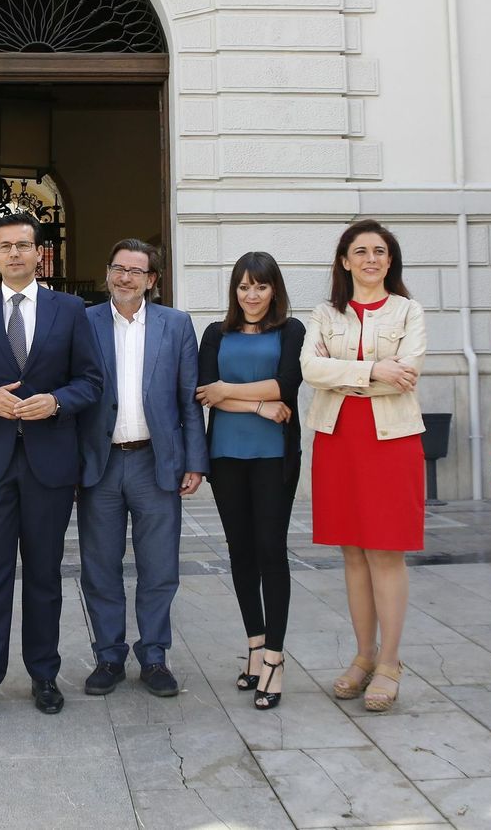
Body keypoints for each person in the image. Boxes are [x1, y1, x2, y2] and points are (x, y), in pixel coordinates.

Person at [0, 212, 103, 724]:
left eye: (23, 245)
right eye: (5, 246)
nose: (14, 253)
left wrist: (55, 402)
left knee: (44, 573)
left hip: (49, 464)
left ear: (39, 253)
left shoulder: (70, 309)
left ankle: (44, 674)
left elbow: (92, 382)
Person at [302, 219, 426, 713]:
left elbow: (408, 372)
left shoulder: (408, 311)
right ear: (344, 261)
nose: (371, 259)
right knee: (352, 552)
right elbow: (310, 369)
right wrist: (375, 369)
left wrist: (346, 376)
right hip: (338, 440)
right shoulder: (325, 314)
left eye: (380, 251)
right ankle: (363, 655)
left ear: (390, 261)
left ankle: (390, 662)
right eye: (361, 251)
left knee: (385, 552)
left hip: (391, 441)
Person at [77, 239, 208, 698]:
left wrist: (195, 460)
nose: (125, 277)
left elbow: (188, 398)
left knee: (159, 567)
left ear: (152, 280)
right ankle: (109, 655)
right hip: (101, 464)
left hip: (156, 461)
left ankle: (154, 656)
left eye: (136, 270)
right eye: (118, 268)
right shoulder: (85, 320)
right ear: (108, 272)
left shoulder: (176, 325)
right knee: (99, 566)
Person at [195, 251, 305, 711]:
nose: (252, 295)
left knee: (270, 552)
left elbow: (286, 385)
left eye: (260, 286)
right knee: (240, 553)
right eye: (243, 287)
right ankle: (256, 648)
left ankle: (276, 659)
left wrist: (228, 392)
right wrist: (256, 404)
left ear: (274, 289)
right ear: (234, 291)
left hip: (274, 457)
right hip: (226, 457)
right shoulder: (215, 334)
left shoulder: (292, 330)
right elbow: (204, 392)